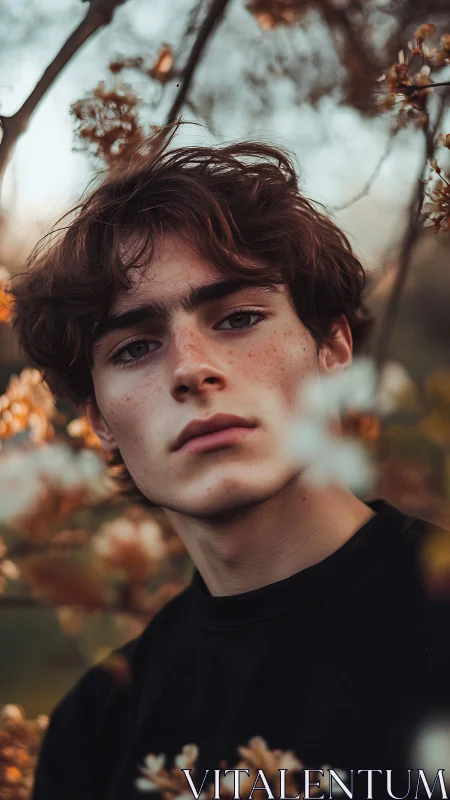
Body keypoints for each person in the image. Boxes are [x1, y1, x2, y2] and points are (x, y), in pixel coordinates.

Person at [9, 124, 450, 800]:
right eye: (133, 349)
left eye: (238, 318)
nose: (192, 369)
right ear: (99, 421)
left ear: (332, 347)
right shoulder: (96, 733)